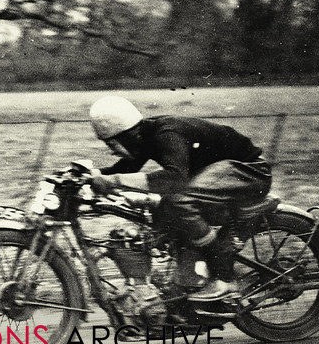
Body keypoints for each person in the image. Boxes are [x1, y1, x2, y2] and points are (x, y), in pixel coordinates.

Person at [87, 95, 272, 302]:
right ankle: (185, 283)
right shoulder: (146, 136)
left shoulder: (166, 134)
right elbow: (125, 169)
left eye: (111, 144)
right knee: (169, 208)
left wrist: (112, 181)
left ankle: (225, 280)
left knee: (178, 201)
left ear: (124, 135)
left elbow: (174, 178)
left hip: (249, 172)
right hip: (226, 176)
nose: (112, 151)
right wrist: (87, 175)